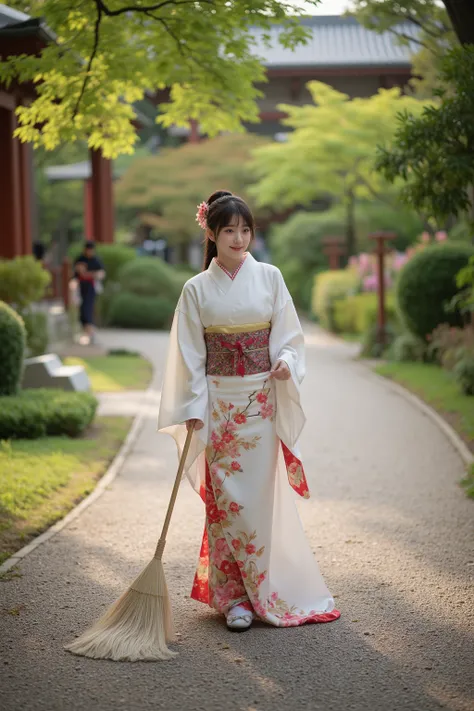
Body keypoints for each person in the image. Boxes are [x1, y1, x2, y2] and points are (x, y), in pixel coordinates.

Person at [158, 191, 340, 632]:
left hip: (260, 402)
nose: (239, 239)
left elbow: (290, 336)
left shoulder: (271, 277)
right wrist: (192, 406)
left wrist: (286, 362)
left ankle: (267, 588)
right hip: (219, 405)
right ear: (211, 234)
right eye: (229, 231)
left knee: (258, 501)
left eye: (245, 230)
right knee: (224, 503)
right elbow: (188, 354)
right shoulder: (196, 289)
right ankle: (233, 597)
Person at [73, 240, 105, 345]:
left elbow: (101, 273)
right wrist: (90, 274)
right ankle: (87, 331)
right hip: (80, 287)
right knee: (82, 309)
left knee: (88, 307)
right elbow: (78, 272)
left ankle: (89, 332)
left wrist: (89, 274)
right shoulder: (80, 259)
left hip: (91, 287)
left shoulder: (96, 261)